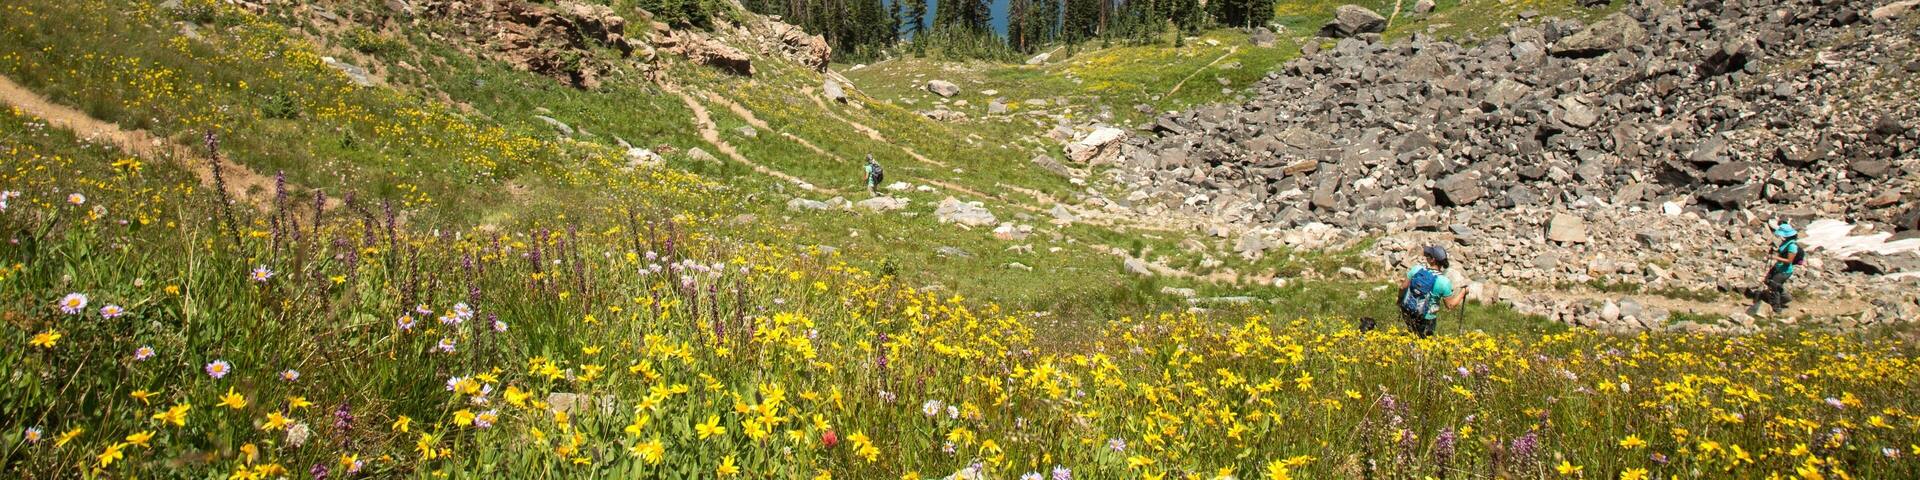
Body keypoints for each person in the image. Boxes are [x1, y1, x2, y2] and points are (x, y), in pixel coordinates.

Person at [1398, 245, 1464, 338]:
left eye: (1428, 255)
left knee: (1410, 335)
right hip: (1426, 318)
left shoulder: (1417, 269)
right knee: (1424, 343)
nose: (1426, 256)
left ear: (1432, 260)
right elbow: (1450, 305)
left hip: (1408, 311)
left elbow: (1402, 287)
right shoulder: (1444, 282)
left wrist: (1400, 300)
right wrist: (1463, 292)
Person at [1747, 222, 1803, 317]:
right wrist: (1776, 251)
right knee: (1769, 282)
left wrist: (1775, 258)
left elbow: (1789, 260)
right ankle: (1785, 298)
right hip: (1779, 267)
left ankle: (1776, 308)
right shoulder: (1786, 242)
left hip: (1784, 271)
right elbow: (1783, 252)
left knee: (1774, 287)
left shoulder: (1792, 246)